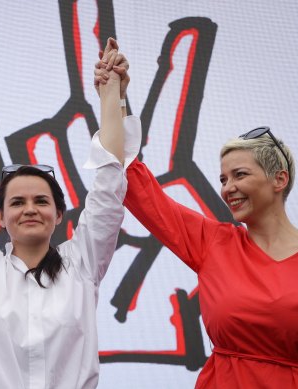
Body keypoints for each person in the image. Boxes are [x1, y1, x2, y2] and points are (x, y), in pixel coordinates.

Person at [0, 42, 132, 388]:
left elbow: (110, 178)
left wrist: (111, 92)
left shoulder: (82, 262)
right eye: (17, 203)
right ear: (1, 217)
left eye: (41, 200)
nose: (30, 209)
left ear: (59, 214)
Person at [95, 40, 298, 387]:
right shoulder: (214, 243)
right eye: (223, 178)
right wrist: (113, 97)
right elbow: (136, 184)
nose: (227, 188)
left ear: (279, 179)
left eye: (240, 175)